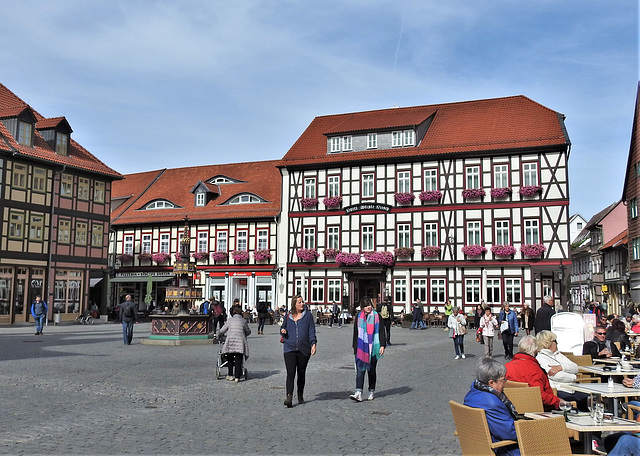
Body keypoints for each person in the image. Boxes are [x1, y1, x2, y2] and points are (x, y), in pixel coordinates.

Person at [463, 358, 520, 456]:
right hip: (504, 449)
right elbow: (510, 433)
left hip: (481, 446)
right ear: (491, 383)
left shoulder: (471, 394)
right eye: (503, 380)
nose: (505, 383)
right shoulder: (492, 403)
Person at [535, 330, 589, 411]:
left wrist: (561, 367)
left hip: (572, 388)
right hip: (558, 390)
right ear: (548, 343)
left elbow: (575, 367)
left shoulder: (559, 355)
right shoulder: (541, 358)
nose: (557, 343)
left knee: (589, 398)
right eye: (555, 341)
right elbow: (556, 376)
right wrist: (574, 377)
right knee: (579, 400)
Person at [505, 335, 561, 411]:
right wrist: (558, 401)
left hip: (513, 409)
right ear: (535, 351)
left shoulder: (506, 367)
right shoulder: (534, 370)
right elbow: (539, 395)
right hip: (538, 411)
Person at [280, 295, 317, 408]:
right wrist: (283, 331)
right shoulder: (288, 316)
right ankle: (289, 397)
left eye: (302, 302)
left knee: (301, 373)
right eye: (300, 302)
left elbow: (311, 330)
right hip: (289, 348)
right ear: (294, 304)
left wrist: (313, 343)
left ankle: (300, 394)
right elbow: (283, 328)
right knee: (290, 373)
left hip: (303, 349)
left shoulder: (308, 316)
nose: (302, 304)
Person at [350, 297, 385, 402]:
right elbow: (356, 333)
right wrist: (355, 348)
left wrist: (382, 345)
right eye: (365, 306)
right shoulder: (359, 317)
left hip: (374, 346)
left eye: (369, 305)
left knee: (371, 370)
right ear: (362, 307)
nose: (368, 307)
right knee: (360, 370)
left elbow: (382, 331)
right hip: (361, 347)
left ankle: (371, 390)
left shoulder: (377, 316)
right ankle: (358, 392)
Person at [217, 305, 251, 382]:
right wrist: (244, 334)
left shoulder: (229, 320)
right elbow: (248, 331)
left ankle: (230, 375)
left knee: (230, 358)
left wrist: (218, 334)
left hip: (230, 342)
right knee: (238, 359)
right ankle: (237, 377)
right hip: (240, 342)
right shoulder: (243, 321)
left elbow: (222, 330)